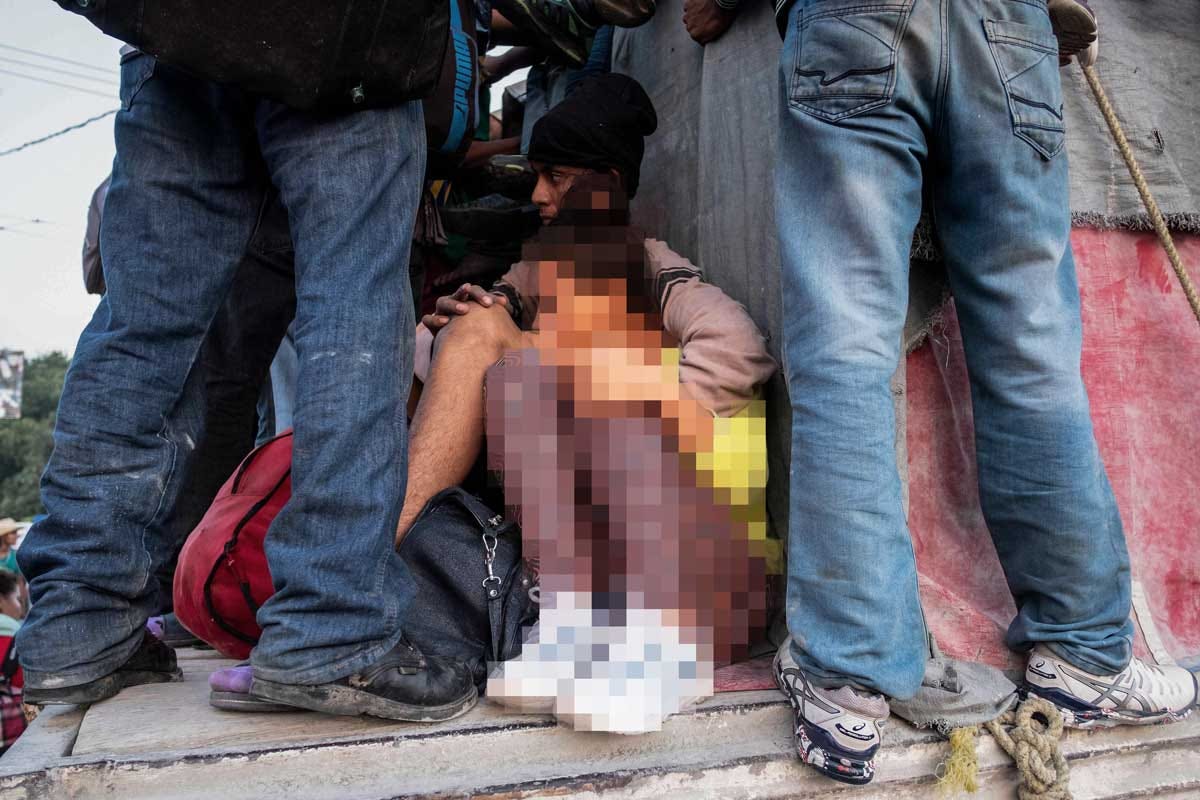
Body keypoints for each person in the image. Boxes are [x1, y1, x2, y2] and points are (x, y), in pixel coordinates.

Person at [759, 0, 1197, 787]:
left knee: (844, 347)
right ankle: (1083, 654)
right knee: (1032, 348)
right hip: (1006, 23)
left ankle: (847, 679)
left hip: (851, 21)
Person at [15, 32, 476, 722]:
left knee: (143, 322)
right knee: (353, 300)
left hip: (174, 29)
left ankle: (77, 623)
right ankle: (330, 626)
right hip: (341, 34)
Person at [408, 74, 777, 542]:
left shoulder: (655, 268)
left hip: (642, 501)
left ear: (609, 183)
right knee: (443, 334)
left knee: (484, 334)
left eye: (556, 177)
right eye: (537, 176)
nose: (538, 194)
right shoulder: (541, 269)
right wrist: (456, 321)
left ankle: (388, 546)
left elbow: (738, 345)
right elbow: (502, 300)